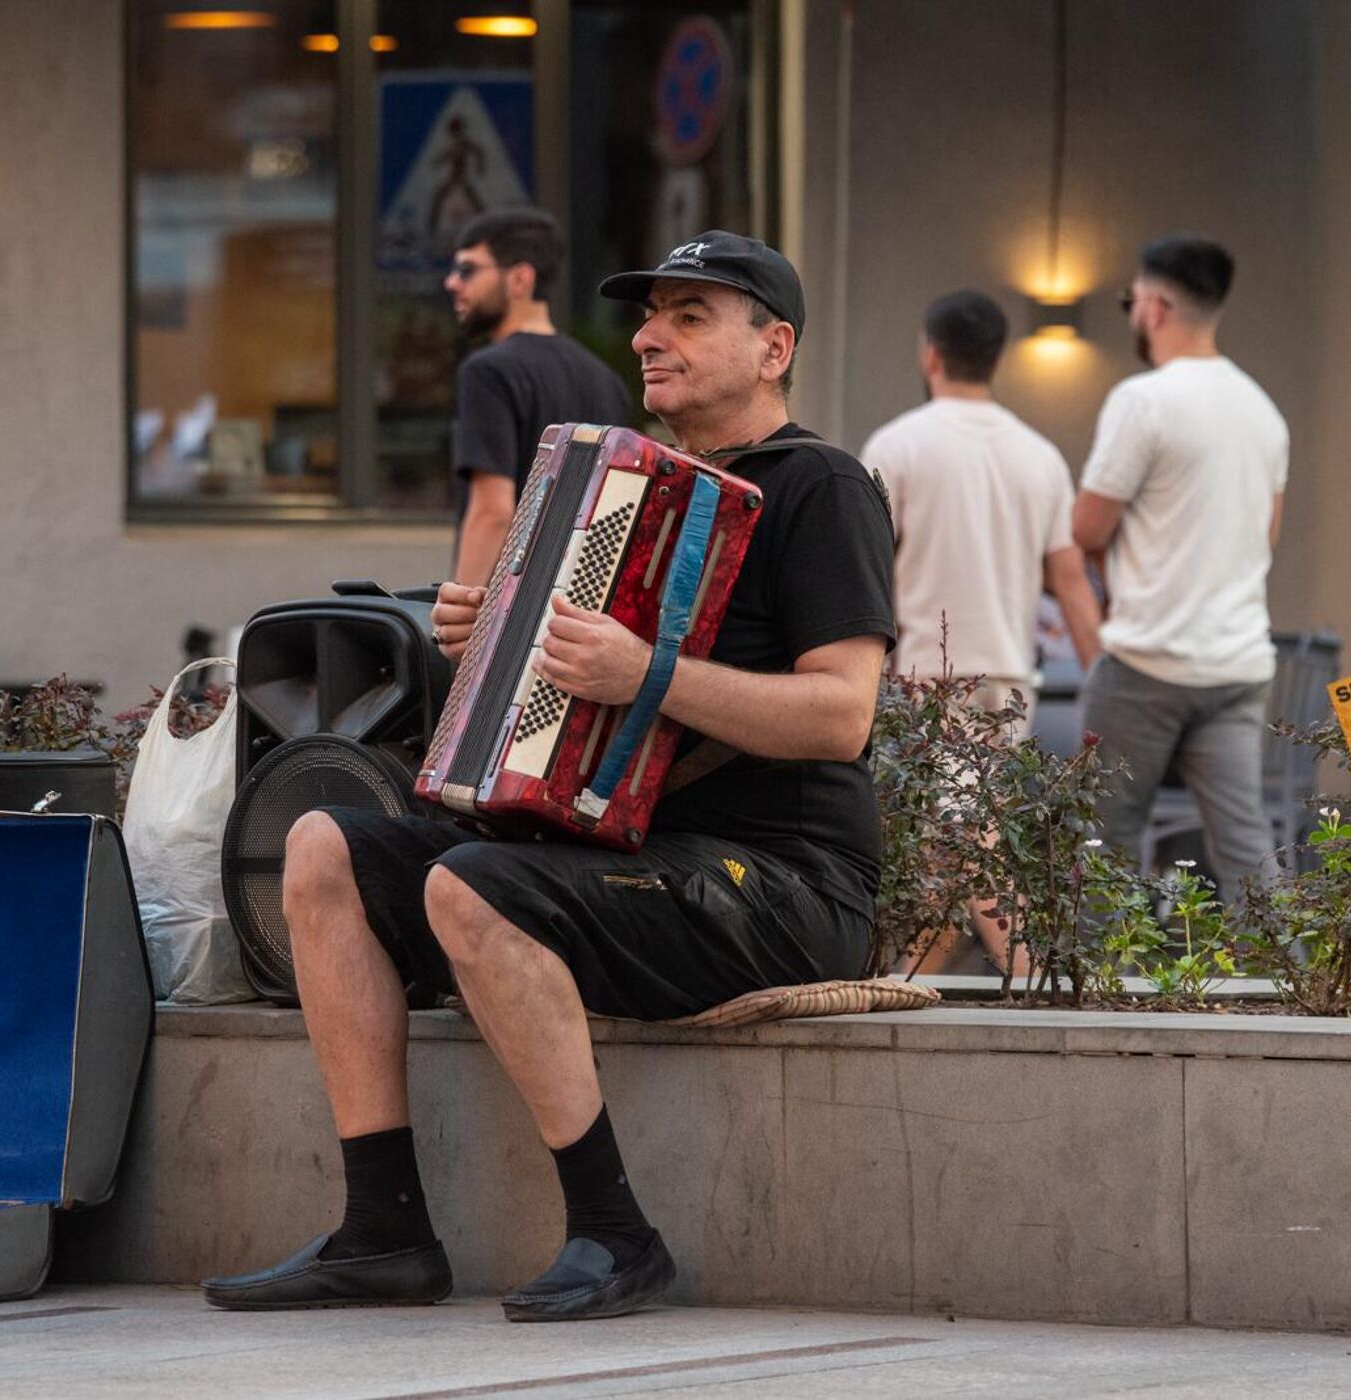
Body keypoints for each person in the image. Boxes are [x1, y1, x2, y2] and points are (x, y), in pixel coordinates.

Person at [202, 231, 896, 1321]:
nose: (646, 335)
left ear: (774, 347)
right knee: (324, 843)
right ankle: (382, 1226)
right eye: (648, 311)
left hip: (779, 877)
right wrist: (492, 634)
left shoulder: (820, 485)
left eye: (687, 314)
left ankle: (615, 1234)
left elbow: (841, 714)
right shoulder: (634, 493)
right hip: (623, 850)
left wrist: (644, 671)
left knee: (468, 882)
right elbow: (573, 710)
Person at [860, 290, 1101, 972]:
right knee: (955, 849)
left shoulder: (897, 445)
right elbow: (1071, 579)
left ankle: (1036, 992)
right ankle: (906, 987)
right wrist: (1102, 678)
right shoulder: (1041, 456)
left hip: (928, 686)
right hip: (1009, 687)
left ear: (930, 353)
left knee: (966, 849)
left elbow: (868, 566)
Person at [1073, 235, 1288, 898]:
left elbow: (1086, 527)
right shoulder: (1264, 412)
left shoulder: (1144, 402)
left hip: (1146, 661)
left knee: (1104, 840)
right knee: (1246, 844)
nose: (1131, 312)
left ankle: (1094, 994)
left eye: (1130, 300)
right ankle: (1297, 990)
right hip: (1237, 666)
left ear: (1157, 306)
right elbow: (1268, 539)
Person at [445, 208, 629, 586]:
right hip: (577, 615)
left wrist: (457, 622)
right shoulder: (606, 380)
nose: (451, 283)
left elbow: (493, 510)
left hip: (507, 618)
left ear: (520, 279)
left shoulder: (487, 371)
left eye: (468, 270)